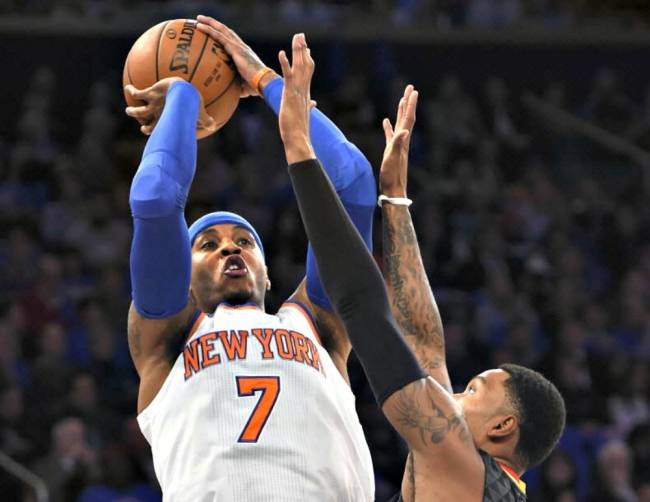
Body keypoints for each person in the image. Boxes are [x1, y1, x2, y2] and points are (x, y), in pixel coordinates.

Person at [280, 35, 566, 502]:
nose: (453, 392)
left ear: (502, 426)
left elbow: (361, 304)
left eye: (473, 390)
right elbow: (426, 343)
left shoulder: (459, 460)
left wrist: (298, 149)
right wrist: (395, 200)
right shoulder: (473, 472)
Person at [123, 26, 375, 502]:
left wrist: (265, 80)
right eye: (208, 244)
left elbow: (353, 185)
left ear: (267, 272)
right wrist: (183, 91)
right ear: (183, 274)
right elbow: (156, 198)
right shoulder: (166, 337)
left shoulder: (317, 323)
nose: (229, 249)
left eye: (244, 241)